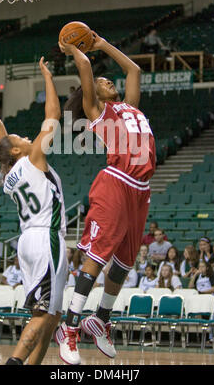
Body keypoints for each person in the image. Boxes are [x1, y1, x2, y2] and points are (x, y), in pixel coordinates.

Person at [55, 32, 156, 365]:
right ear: (92, 93)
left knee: (125, 262)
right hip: (115, 182)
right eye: (101, 81)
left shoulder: (130, 107)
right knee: (99, 255)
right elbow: (83, 66)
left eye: (107, 79)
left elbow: (134, 72)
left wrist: (102, 45)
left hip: (141, 190)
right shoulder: (97, 110)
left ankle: (100, 318)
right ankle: (69, 327)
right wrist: (74, 47)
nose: (107, 81)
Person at [0, 57, 68, 366]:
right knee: (44, 315)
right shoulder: (33, 161)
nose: (28, 138)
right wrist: (47, 75)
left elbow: (5, 153)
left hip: (27, 243)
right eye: (21, 138)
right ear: (16, 150)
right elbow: (53, 115)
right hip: (46, 240)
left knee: (50, 317)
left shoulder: (8, 177)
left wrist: (0, 127)